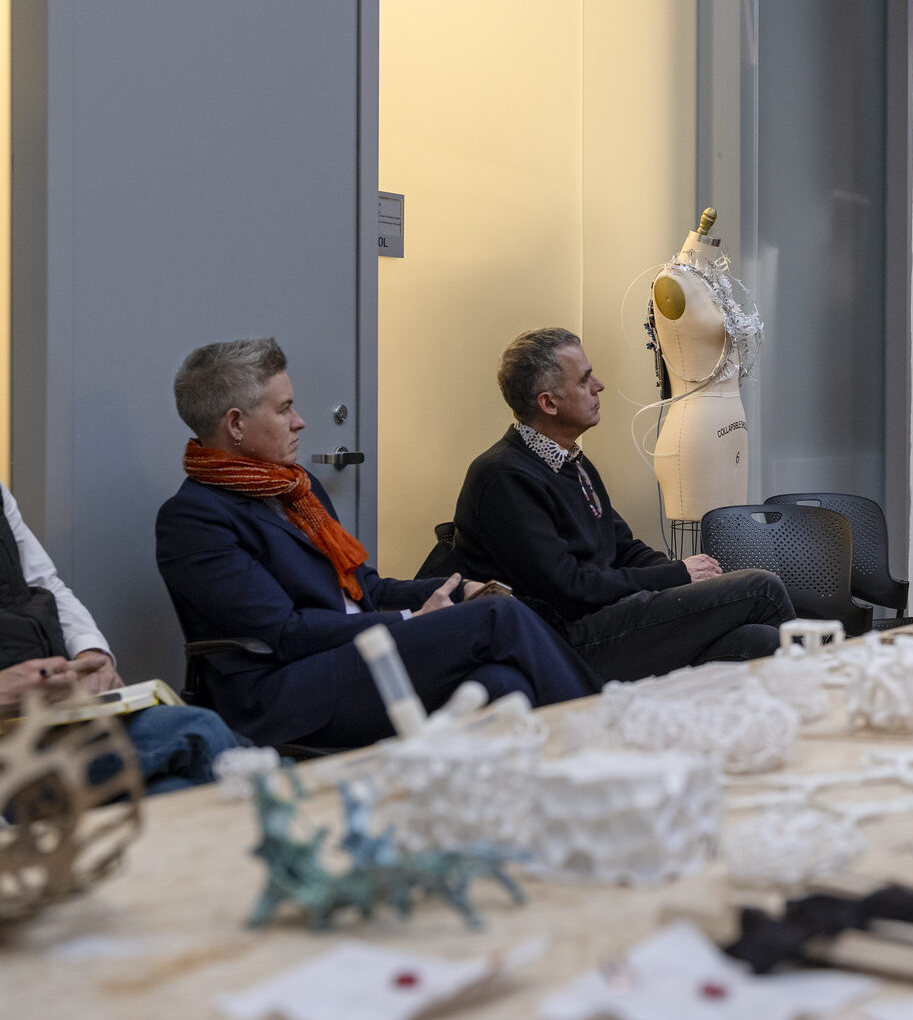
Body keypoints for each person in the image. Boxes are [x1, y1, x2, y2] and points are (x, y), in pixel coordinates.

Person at [156, 338, 597, 751]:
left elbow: (366, 587)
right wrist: (410, 621)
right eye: (284, 409)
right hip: (281, 693)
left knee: (503, 684)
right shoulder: (195, 519)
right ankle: (606, 746)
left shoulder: (296, 489)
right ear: (235, 423)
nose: (300, 421)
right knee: (497, 618)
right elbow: (284, 633)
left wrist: (459, 588)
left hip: (351, 660)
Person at [448, 328, 793, 683]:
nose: (599, 385)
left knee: (760, 642)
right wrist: (677, 575)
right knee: (761, 588)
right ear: (549, 403)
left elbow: (623, 548)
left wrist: (690, 584)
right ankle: (829, 703)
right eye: (584, 381)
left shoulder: (572, 461)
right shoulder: (504, 476)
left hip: (606, 622)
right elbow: (567, 590)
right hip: (563, 643)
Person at [0, 481, 244, 792]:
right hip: (15, 746)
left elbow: (44, 584)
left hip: (49, 718)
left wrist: (90, 653)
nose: (299, 427)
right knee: (199, 730)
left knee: (172, 790)